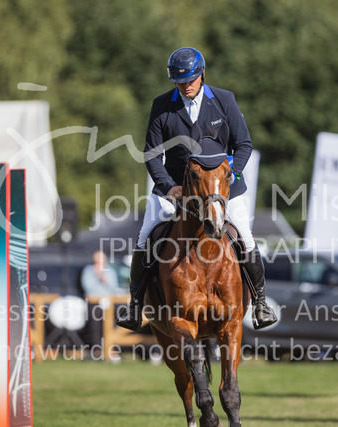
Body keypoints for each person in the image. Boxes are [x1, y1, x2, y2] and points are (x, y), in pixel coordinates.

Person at [116, 47, 277, 331]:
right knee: (145, 237)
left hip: (221, 188)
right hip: (177, 188)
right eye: (179, 81)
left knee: (246, 238)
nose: (186, 86)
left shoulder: (224, 100)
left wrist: (230, 176)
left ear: (202, 74)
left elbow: (243, 145)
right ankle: (135, 304)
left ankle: (261, 303)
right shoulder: (162, 105)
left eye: (190, 80)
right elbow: (152, 154)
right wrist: (169, 187)